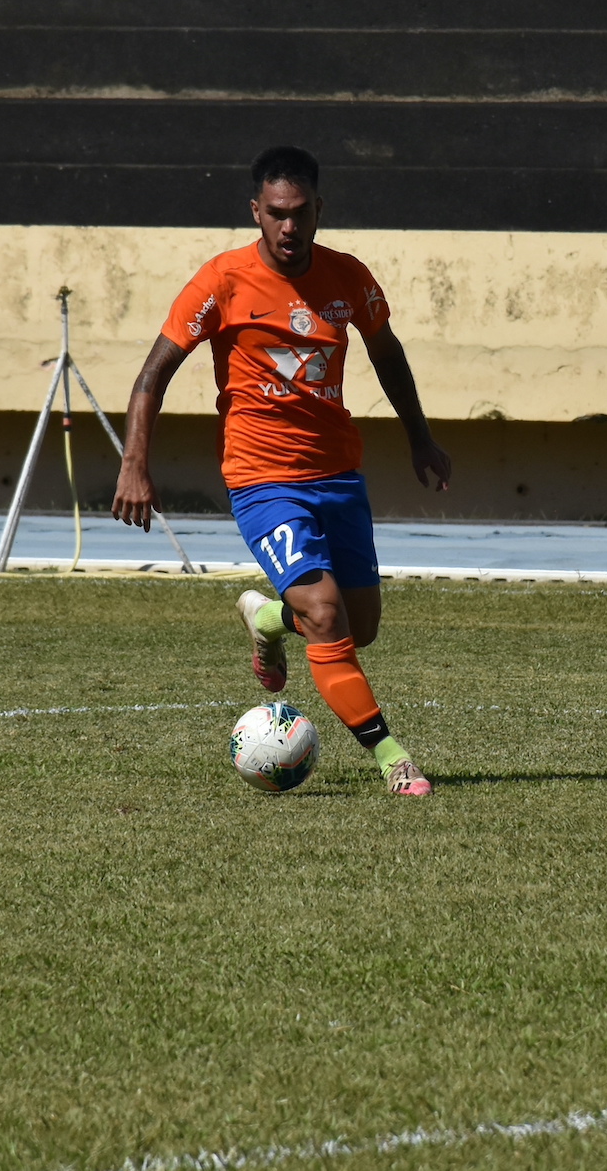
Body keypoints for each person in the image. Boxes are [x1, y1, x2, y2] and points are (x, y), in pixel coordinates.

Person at [112, 145, 452, 797]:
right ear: (256, 212)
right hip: (263, 480)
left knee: (362, 626)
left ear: (319, 209)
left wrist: (421, 439)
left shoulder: (349, 278)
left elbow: (388, 354)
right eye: (275, 214)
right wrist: (134, 466)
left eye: (299, 213)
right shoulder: (221, 281)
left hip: (339, 476)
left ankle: (268, 620)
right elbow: (153, 375)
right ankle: (393, 758)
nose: (288, 228)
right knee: (326, 615)